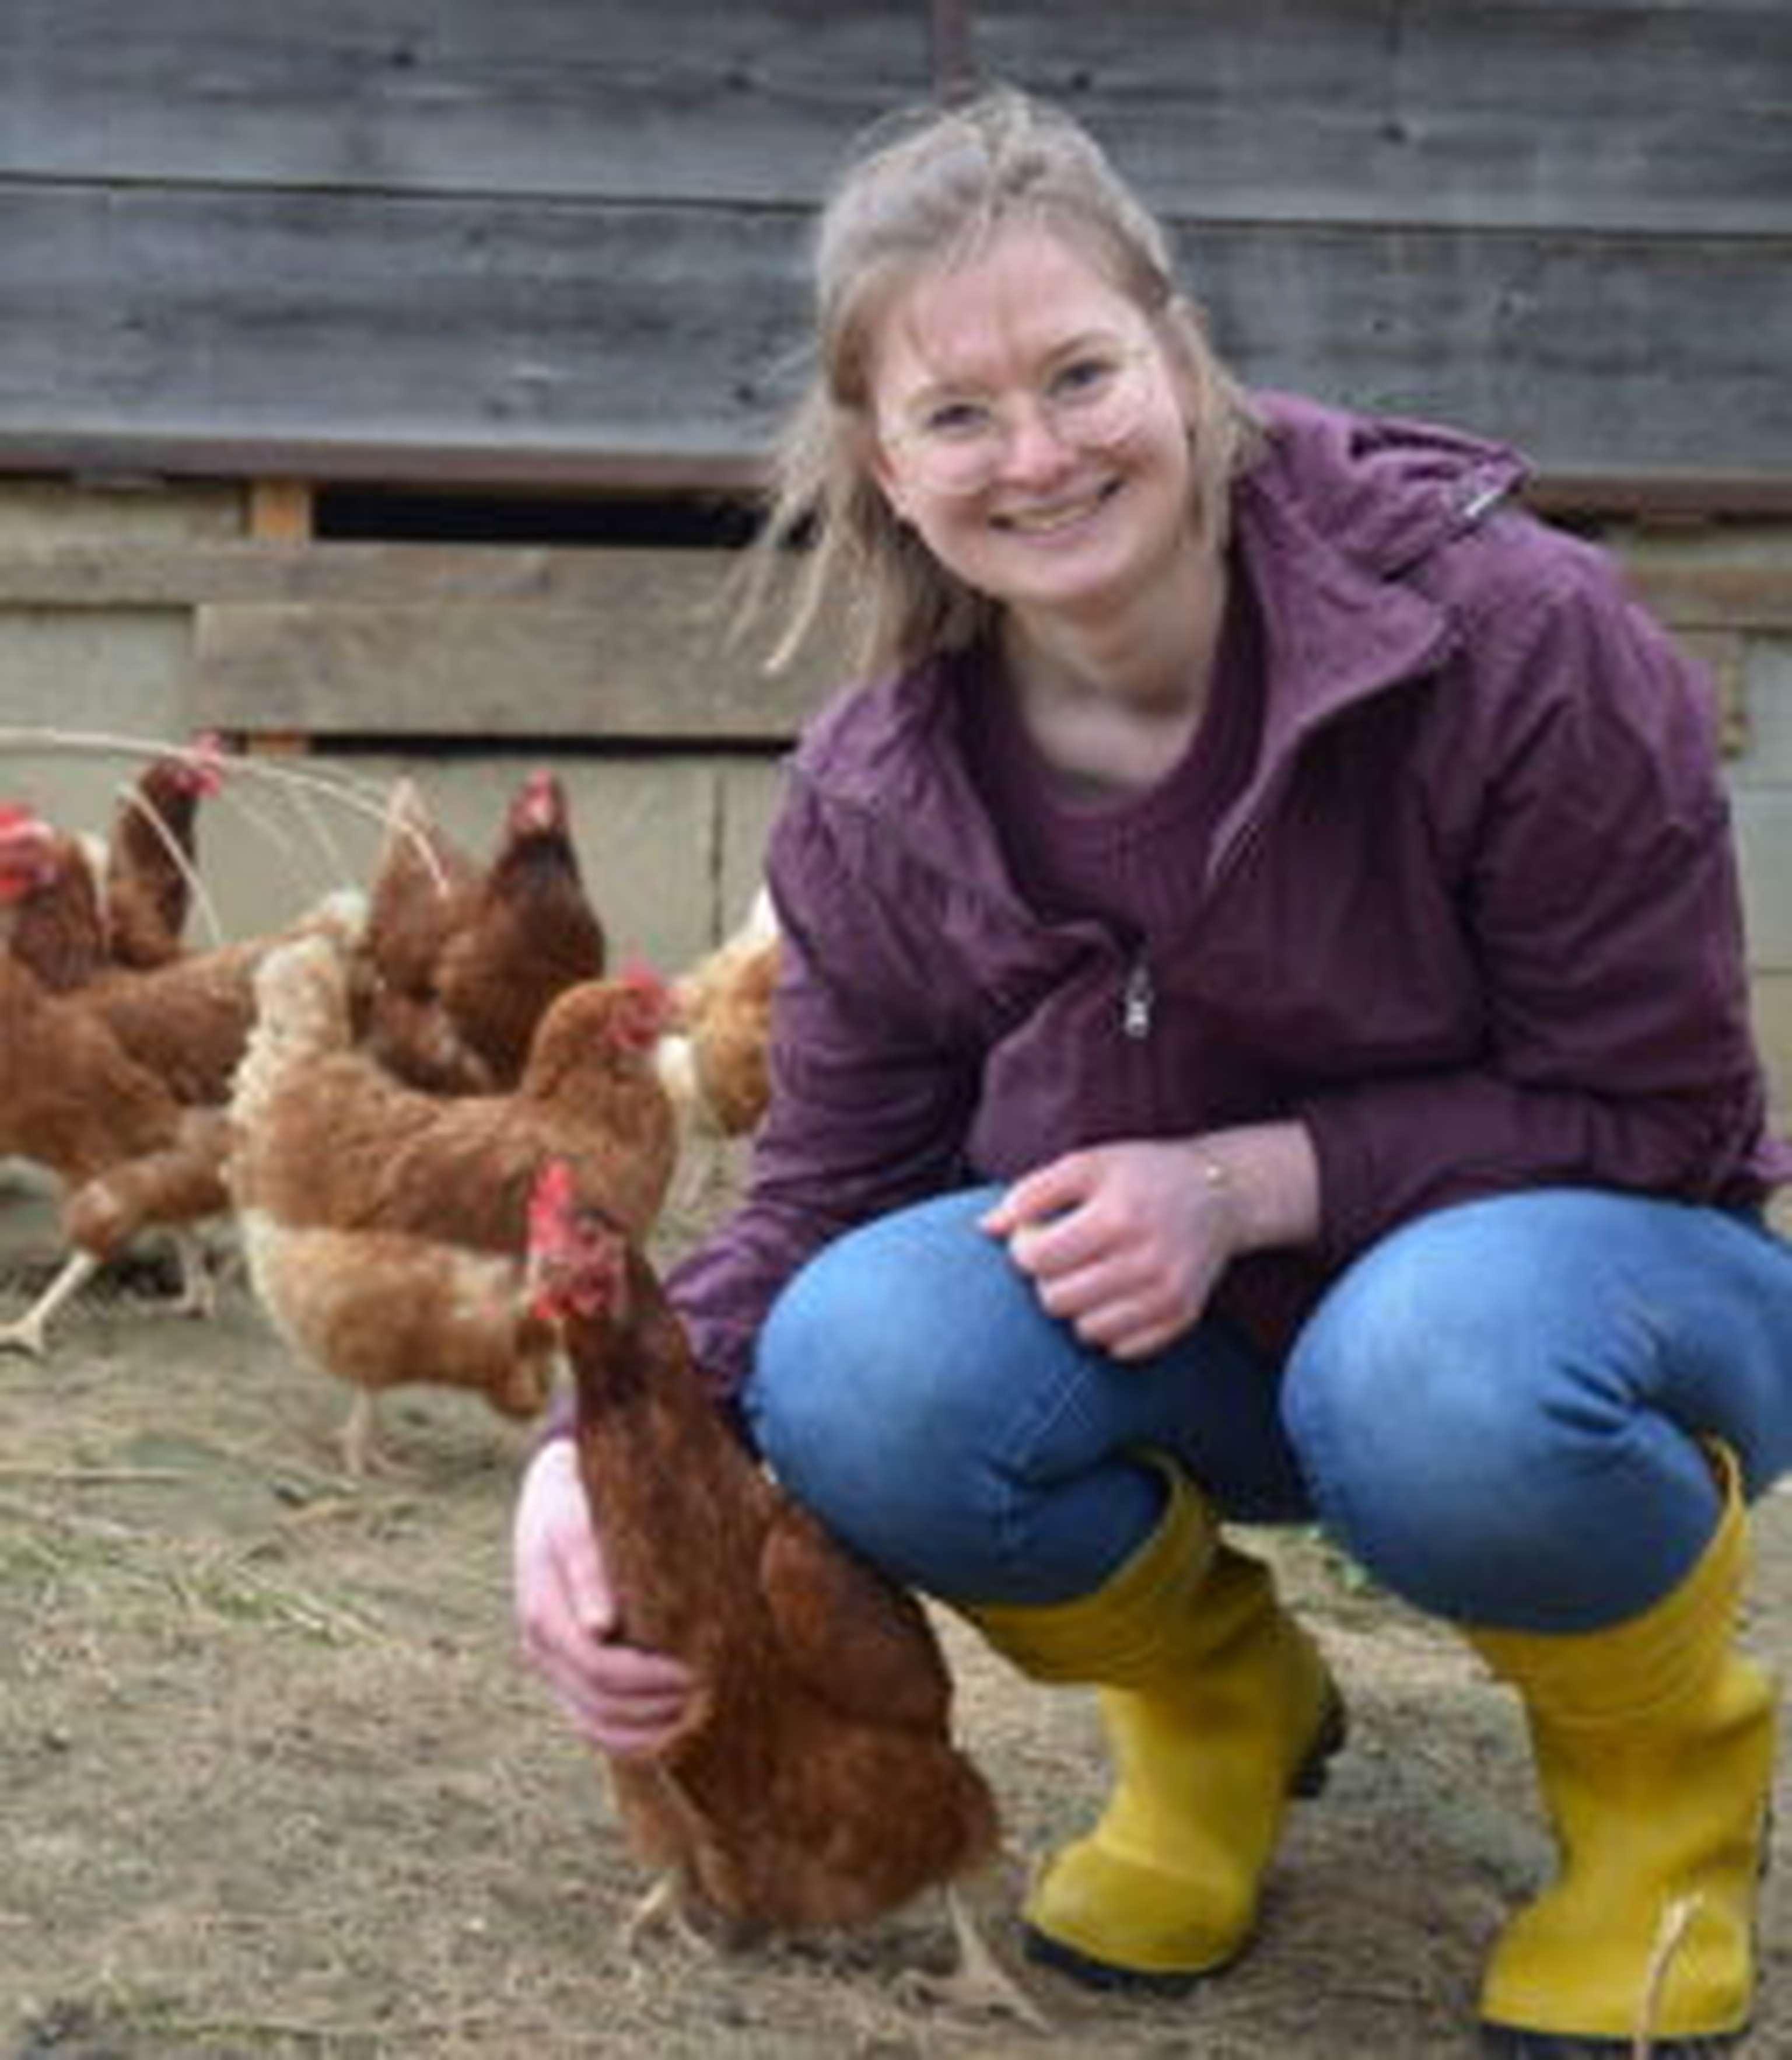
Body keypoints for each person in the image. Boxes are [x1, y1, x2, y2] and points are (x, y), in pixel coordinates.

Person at [512, 86, 1792, 2054]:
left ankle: (1659, 1809)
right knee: (865, 1357)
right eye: (958, 414)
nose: (1037, 454)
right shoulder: (882, 788)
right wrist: (581, 1463)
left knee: (1436, 1357)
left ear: (1182, 357)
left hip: (1591, 1309)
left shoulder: (1518, 643)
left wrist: (1245, 1180)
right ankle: (1219, 1716)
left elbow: (1669, 1118)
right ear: (883, 458)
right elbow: (822, 1196)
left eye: (1081, 372)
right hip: (1199, 1347)